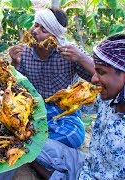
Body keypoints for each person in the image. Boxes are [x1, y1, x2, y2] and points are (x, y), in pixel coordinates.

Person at [29, 33, 125, 180]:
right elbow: (86, 105)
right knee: (29, 144)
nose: (93, 79)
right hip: (87, 164)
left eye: (101, 72)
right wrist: (68, 96)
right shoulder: (110, 96)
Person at [9, 8, 95, 148]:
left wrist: (81, 58)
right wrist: (14, 62)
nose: (35, 31)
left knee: (74, 136)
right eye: (36, 25)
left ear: (54, 37)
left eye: (44, 30)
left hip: (62, 110)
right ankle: (37, 141)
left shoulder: (69, 52)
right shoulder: (23, 51)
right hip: (32, 108)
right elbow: (14, 86)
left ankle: (29, 141)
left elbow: (99, 77)